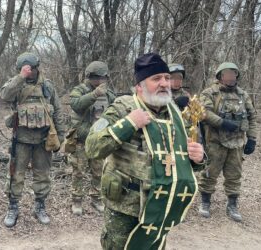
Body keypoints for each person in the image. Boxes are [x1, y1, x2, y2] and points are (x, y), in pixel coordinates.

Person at [85, 53, 204, 249]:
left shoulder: (174, 113)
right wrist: (129, 123)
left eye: (167, 78)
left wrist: (198, 158)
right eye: (156, 79)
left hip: (160, 205)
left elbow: (181, 160)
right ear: (139, 85)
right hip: (125, 206)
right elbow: (92, 147)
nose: (164, 83)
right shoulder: (122, 108)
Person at [0, 52, 65, 227]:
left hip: (43, 140)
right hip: (20, 140)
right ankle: (13, 207)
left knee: (42, 175)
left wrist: (61, 136)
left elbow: (57, 111)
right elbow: (4, 96)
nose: (30, 71)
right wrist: (21, 77)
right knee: (15, 175)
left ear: (37, 68)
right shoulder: (16, 84)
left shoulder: (48, 87)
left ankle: (40, 206)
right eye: (25, 69)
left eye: (32, 68)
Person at [198, 62, 257, 222]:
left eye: (233, 73)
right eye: (227, 74)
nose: (231, 76)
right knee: (210, 173)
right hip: (215, 142)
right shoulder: (210, 93)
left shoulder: (243, 95)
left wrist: (252, 138)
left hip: (237, 143)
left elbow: (252, 117)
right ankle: (205, 202)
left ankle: (232, 205)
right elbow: (204, 113)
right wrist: (222, 123)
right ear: (220, 76)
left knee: (234, 175)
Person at [68, 61, 115, 215]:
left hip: (99, 138)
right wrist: (94, 95)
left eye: (103, 78)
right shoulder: (79, 90)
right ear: (89, 77)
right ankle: (77, 200)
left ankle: (96, 198)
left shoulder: (108, 93)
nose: (100, 81)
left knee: (99, 171)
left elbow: (115, 108)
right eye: (97, 78)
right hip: (81, 138)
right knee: (78, 171)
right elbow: (76, 104)